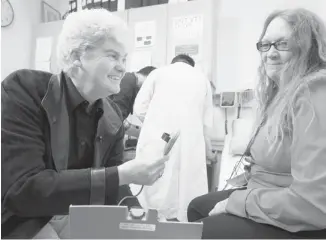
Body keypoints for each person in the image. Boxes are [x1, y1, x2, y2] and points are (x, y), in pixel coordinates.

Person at [1, 9, 167, 239]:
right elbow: (22, 191)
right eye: (112, 55)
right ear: (76, 56)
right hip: (21, 220)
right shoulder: (25, 90)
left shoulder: (112, 118)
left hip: (73, 217)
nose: (122, 67)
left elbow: (115, 188)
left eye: (123, 58)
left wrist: (142, 219)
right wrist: (120, 174)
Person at [187, 8, 326, 239]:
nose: (270, 53)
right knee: (197, 206)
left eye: (282, 44)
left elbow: (312, 203)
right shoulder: (280, 95)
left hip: (303, 212)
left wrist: (240, 202)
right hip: (267, 193)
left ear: (309, 47)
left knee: (197, 231)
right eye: (266, 45)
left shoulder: (314, 91)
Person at [131, 54, 214, 222]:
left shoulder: (157, 74)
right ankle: (182, 225)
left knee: (155, 187)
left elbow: (139, 109)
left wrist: (156, 125)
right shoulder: (202, 79)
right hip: (190, 142)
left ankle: (149, 224)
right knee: (186, 190)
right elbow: (206, 123)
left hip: (159, 139)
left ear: (173, 62)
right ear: (191, 65)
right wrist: (209, 151)